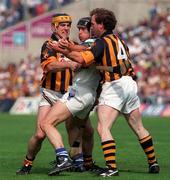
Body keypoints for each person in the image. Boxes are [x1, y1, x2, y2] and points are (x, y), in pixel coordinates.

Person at [52, 8, 160, 177]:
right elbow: (87, 50)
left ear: (101, 25)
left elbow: (82, 59)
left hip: (114, 85)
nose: (91, 26)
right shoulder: (119, 40)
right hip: (129, 84)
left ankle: (111, 167)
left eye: (93, 23)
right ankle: (153, 163)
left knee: (103, 128)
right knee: (139, 128)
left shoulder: (102, 42)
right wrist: (71, 47)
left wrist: (62, 50)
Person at [16, 13, 79, 175]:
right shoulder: (49, 45)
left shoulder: (74, 45)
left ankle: (76, 160)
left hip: (67, 94)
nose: (66, 28)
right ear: (54, 27)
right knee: (39, 134)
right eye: (62, 25)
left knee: (75, 126)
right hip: (49, 93)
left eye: (68, 25)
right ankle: (28, 162)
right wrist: (69, 64)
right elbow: (48, 66)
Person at [40, 17, 101, 176]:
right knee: (80, 128)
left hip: (80, 93)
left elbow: (79, 58)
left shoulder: (91, 45)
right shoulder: (95, 45)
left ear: (92, 31)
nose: (79, 32)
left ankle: (63, 157)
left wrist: (62, 49)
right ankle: (81, 162)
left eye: (83, 29)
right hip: (82, 92)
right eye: (78, 29)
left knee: (46, 123)